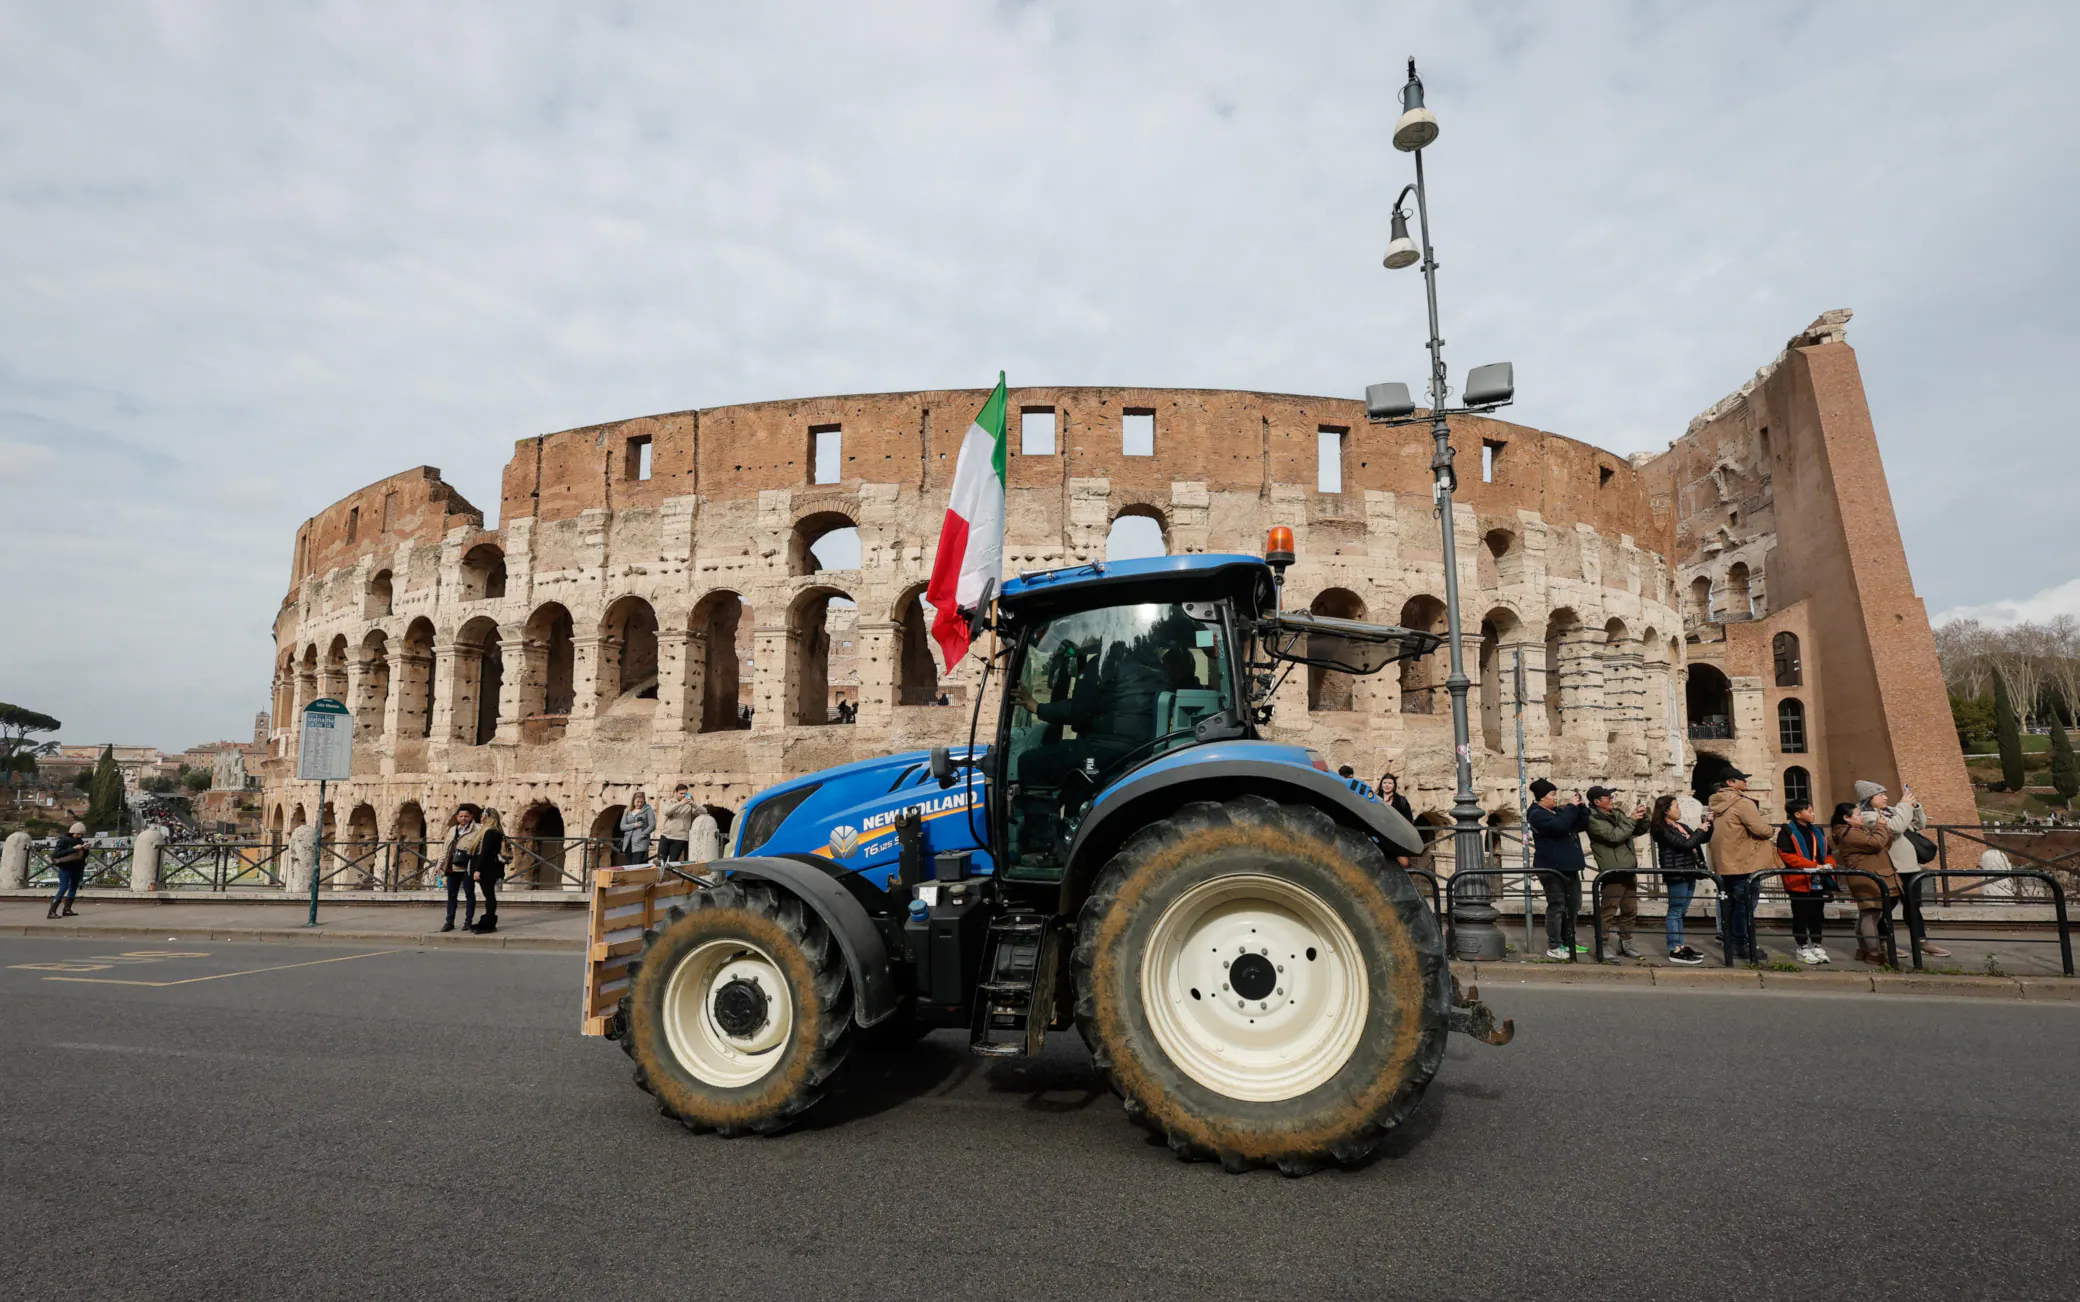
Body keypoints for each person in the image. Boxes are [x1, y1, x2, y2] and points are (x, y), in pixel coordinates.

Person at [1854, 780, 1949, 958]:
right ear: (1869, 798)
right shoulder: (1866, 816)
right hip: (1889, 869)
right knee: (1885, 908)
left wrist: (1915, 806)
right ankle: (1886, 942)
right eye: (1880, 794)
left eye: (1885, 793)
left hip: (1911, 868)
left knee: (1913, 907)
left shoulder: (1892, 811)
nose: (1885, 797)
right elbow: (1896, 827)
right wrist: (1903, 806)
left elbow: (1920, 824)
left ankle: (1920, 941)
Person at [1706, 768, 1776, 963]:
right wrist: (1771, 830)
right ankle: (1742, 943)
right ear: (1730, 782)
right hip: (1744, 861)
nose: (1745, 782)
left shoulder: (1715, 803)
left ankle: (1731, 941)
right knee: (1745, 905)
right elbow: (1760, 829)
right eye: (1741, 780)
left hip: (1725, 862)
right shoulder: (1742, 803)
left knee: (1730, 903)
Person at [1526, 778, 1591, 959]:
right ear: (1541, 797)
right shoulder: (1537, 814)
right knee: (1557, 906)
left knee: (1574, 905)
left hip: (1569, 866)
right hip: (1551, 868)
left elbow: (1579, 825)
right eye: (1552, 795)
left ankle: (1568, 940)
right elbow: (1560, 826)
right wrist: (1571, 808)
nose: (1555, 798)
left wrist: (1581, 808)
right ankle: (1554, 945)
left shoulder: (1557, 812)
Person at [1586, 786, 1650, 960]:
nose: (1611, 799)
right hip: (1612, 871)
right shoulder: (1592, 819)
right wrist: (1631, 819)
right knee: (1608, 910)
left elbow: (1635, 830)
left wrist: (1643, 817)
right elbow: (1613, 836)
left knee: (1630, 909)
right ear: (1597, 802)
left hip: (1628, 869)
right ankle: (1603, 944)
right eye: (1607, 797)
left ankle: (1626, 942)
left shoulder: (1617, 814)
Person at [1834, 799, 1899, 966]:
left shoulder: (1856, 831)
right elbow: (1876, 843)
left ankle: (1865, 950)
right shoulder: (1850, 834)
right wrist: (1880, 827)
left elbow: (1883, 845)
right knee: (1871, 913)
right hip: (1866, 878)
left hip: (1871, 875)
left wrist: (1884, 829)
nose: (1861, 817)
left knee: (1868, 914)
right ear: (1846, 818)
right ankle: (1874, 953)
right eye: (1857, 815)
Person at [1649, 795, 1711, 964]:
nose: (1679, 810)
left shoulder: (1680, 826)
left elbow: (1699, 839)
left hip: (1689, 870)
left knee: (1681, 911)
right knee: (1675, 911)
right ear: (1666, 810)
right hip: (1676, 872)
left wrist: (1708, 825)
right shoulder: (1661, 829)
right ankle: (1674, 947)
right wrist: (1700, 830)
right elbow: (1685, 844)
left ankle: (1680, 945)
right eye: (1676, 806)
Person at [1775, 798, 1835, 965]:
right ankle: (1802, 947)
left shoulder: (1817, 832)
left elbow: (1828, 852)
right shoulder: (1787, 832)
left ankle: (1817, 944)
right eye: (1809, 811)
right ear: (1797, 814)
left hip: (1818, 879)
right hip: (1799, 880)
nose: (1813, 813)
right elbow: (1787, 856)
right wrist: (1814, 866)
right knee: (1801, 914)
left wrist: (1829, 865)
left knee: (1817, 913)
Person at [437, 804, 483, 933]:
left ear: (471, 816)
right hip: (452, 867)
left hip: (468, 867)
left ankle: (468, 921)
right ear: (457, 817)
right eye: (461, 816)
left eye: (466, 816)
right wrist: (439, 865)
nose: (464, 818)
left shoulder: (478, 829)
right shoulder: (453, 830)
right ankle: (449, 921)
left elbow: (481, 849)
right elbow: (446, 849)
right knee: (451, 895)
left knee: (469, 894)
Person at [470, 809, 507, 934]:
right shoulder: (498, 832)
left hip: (487, 868)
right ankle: (487, 920)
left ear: (488, 817)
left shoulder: (489, 832)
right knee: (489, 895)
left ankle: (489, 922)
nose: (480, 819)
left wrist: (477, 870)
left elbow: (484, 853)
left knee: (489, 896)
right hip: (493, 867)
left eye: (482, 816)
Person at [47, 821, 89, 919]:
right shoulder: (63, 840)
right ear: (72, 832)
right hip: (65, 867)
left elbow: (82, 856)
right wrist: (73, 849)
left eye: (81, 834)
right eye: (77, 834)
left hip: (77, 867)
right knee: (63, 887)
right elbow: (56, 854)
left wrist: (86, 849)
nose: (79, 836)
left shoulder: (80, 841)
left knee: (73, 888)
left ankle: (67, 909)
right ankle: (51, 911)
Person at [657, 784, 697, 865]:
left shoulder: (690, 805)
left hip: (680, 838)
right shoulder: (669, 802)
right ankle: (659, 878)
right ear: (676, 792)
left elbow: (704, 811)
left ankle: (669, 878)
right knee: (659, 862)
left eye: (685, 794)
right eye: (681, 793)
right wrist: (680, 804)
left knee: (673, 864)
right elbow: (666, 812)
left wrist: (694, 804)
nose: (683, 795)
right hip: (666, 835)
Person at [619, 791, 655, 866]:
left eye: (642, 802)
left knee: (636, 865)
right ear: (633, 801)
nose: (639, 804)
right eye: (637, 802)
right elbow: (622, 826)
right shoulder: (627, 810)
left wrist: (643, 835)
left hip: (641, 842)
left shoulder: (648, 809)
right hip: (628, 842)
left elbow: (652, 825)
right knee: (629, 865)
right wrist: (633, 825)